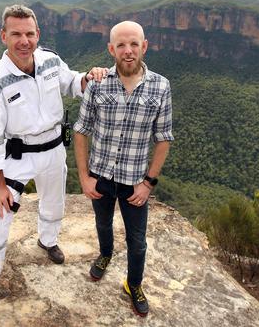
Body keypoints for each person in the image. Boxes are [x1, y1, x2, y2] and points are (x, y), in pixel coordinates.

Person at [0, 4, 106, 323]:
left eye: (29, 33)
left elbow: (72, 83)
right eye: (16, 34)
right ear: (4, 36)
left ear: (38, 34)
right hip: (16, 158)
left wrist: (91, 77)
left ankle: (48, 241)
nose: (24, 41)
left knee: (54, 203)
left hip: (54, 148)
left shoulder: (49, 60)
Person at [73, 21, 174, 317]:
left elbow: (164, 137)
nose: (128, 51)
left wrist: (148, 183)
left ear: (144, 46)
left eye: (133, 44)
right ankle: (105, 255)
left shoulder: (161, 86)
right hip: (101, 176)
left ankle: (134, 284)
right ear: (111, 49)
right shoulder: (98, 83)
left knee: (137, 241)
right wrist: (84, 176)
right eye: (121, 45)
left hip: (134, 181)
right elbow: (81, 130)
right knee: (103, 225)